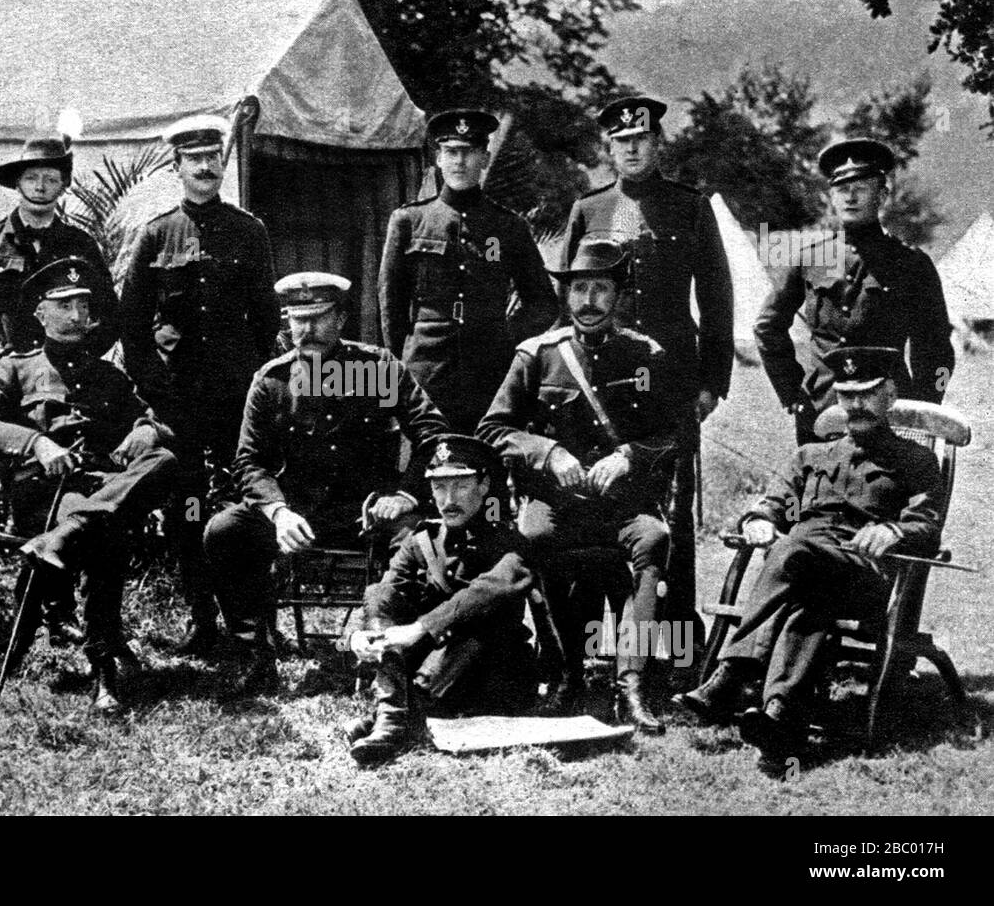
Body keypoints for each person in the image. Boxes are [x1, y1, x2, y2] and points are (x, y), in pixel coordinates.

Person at [676, 347, 944, 767]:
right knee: (808, 599)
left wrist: (893, 529)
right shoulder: (810, 455)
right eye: (846, 395)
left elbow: (927, 526)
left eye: (868, 393)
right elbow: (772, 502)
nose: (856, 405)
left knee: (793, 549)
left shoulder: (917, 461)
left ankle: (733, 672)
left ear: (890, 395)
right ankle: (780, 717)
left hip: (862, 574)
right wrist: (760, 521)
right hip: (805, 575)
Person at [203, 272, 451, 697]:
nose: (307, 330)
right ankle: (255, 655)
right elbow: (249, 461)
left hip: (370, 512)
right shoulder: (272, 381)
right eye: (297, 320)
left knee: (420, 544)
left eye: (318, 318)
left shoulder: (377, 370)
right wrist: (277, 512)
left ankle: (396, 659)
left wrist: (406, 494)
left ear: (341, 319)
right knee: (223, 531)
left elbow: (434, 436)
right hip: (298, 513)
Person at [0, 258, 179, 712]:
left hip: (98, 488)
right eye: (64, 306)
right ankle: (104, 669)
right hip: (44, 491)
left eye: (83, 305)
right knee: (108, 531)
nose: (77, 315)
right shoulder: (15, 370)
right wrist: (35, 442)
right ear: (40, 314)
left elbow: (153, 423)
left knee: (165, 460)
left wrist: (145, 428)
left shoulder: (108, 375)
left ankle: (61, 539)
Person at [478, 237, 679, 733]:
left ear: (619, 296)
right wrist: (548, 452)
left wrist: (629, 456)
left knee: (653, 540)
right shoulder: (537, 356)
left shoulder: (644, 356)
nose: (589, 301)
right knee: (535, 537)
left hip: (620, 503)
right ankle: (566, 675)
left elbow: (675, 433)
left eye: (601, 289)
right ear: (566, 298)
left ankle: (629, 683)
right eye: (580, 289)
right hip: (556, 499)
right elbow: (494, 428)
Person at [0, 135, 117, 652]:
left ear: (63, 185)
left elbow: (107, 316)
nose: (41, 185)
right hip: (1, 386)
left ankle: (58, 613)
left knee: (60, 489)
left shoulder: (79, 245)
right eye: (31, 176)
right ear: (17, 182)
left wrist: (76, 357)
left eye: (51, 177)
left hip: (62, 388)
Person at [558, 96, 733, 649]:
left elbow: (717, 297)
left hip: (671, 381)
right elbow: (568, 298)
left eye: (642, 140)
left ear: (657, 144)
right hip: (601, 383)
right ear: (608, 150)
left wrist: (712, 382)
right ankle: (588, 644)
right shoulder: (588, 210)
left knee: (674, 515)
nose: (632, 149)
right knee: (594, 506)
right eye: (621, 142)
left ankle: (678, 646)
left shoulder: (690, 207)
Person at [119, 115, 280, 656]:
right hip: (181, 402)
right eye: (195, 160)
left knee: (248, 505)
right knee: (188, 509)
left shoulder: (250, 232)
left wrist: (261, 386)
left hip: (238, 399)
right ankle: (201, 620)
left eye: (214, 158)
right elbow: (132, 326)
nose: (206, 167)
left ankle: (257, 620)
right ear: (177, 167)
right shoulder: (157, 235)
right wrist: (155, 389)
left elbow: (265, 320)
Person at [346, 434, 538, 766]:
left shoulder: (509, 543)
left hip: (490, 671)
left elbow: (485, 593)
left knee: (474, 627)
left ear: (483, 485)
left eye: (460, 487)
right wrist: (366, 635)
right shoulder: (422, 539)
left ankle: (398, 718)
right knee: (380, 596)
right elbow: (384, 591)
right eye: (438, 488)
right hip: (432, 665)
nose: (448, 500)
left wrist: (420, 628)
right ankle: (395, 716)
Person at [754, 137, 955, 445]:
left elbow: (936, 347)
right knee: (820, 490)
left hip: (889, 412)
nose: (850, 197)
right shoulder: (811, 259)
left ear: (882, 195)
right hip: (822, 412)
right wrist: (791, 390)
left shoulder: (911, 264)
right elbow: (767, 326)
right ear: (831, 197)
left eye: (861, 188)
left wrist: (921, 410)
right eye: (841, 189)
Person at [378, 108, 554, 434]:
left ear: (485, 159)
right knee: (425, 464)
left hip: (489, 373)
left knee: (487, 461)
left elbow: (543, 302)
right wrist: (401, 363)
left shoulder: (507, 226)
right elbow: (391, 304)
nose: (459, 162)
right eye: (451, 152)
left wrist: (506, 339)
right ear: (438, 160)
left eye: (469, 152)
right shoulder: (408, 221)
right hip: (425, 373)